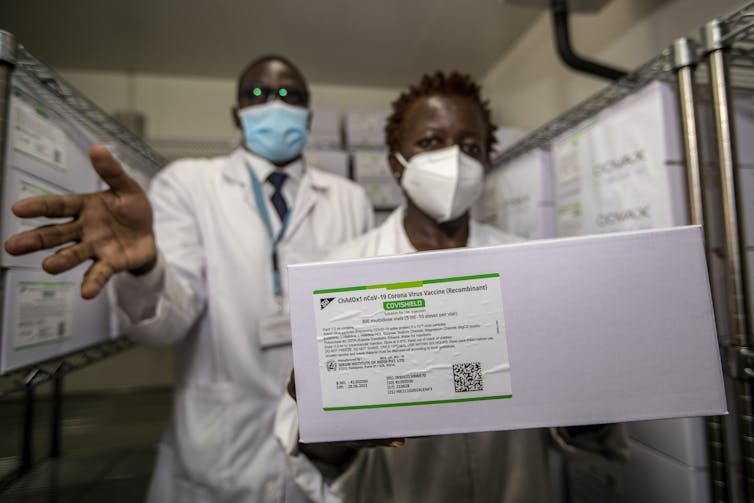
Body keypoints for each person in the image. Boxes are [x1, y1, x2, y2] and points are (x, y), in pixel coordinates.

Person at [4, 55, 374, 502]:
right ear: (237, 113)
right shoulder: (188, 184)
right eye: (258, 93)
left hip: (322, 446)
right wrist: (144, 267)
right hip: (215, 450)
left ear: (309, 114)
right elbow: (166, 324)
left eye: (290, 95)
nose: (275, 103)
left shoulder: (350, 200)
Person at [274, 71, 628, 502]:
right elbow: (307, 450)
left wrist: (586, 389)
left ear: (485, 164)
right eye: (429, 142)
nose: (453, 160)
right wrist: (334, 430)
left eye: (470, 147)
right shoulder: (342, 273)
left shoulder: (529, 268)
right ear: (394, 160)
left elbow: (584, 433)